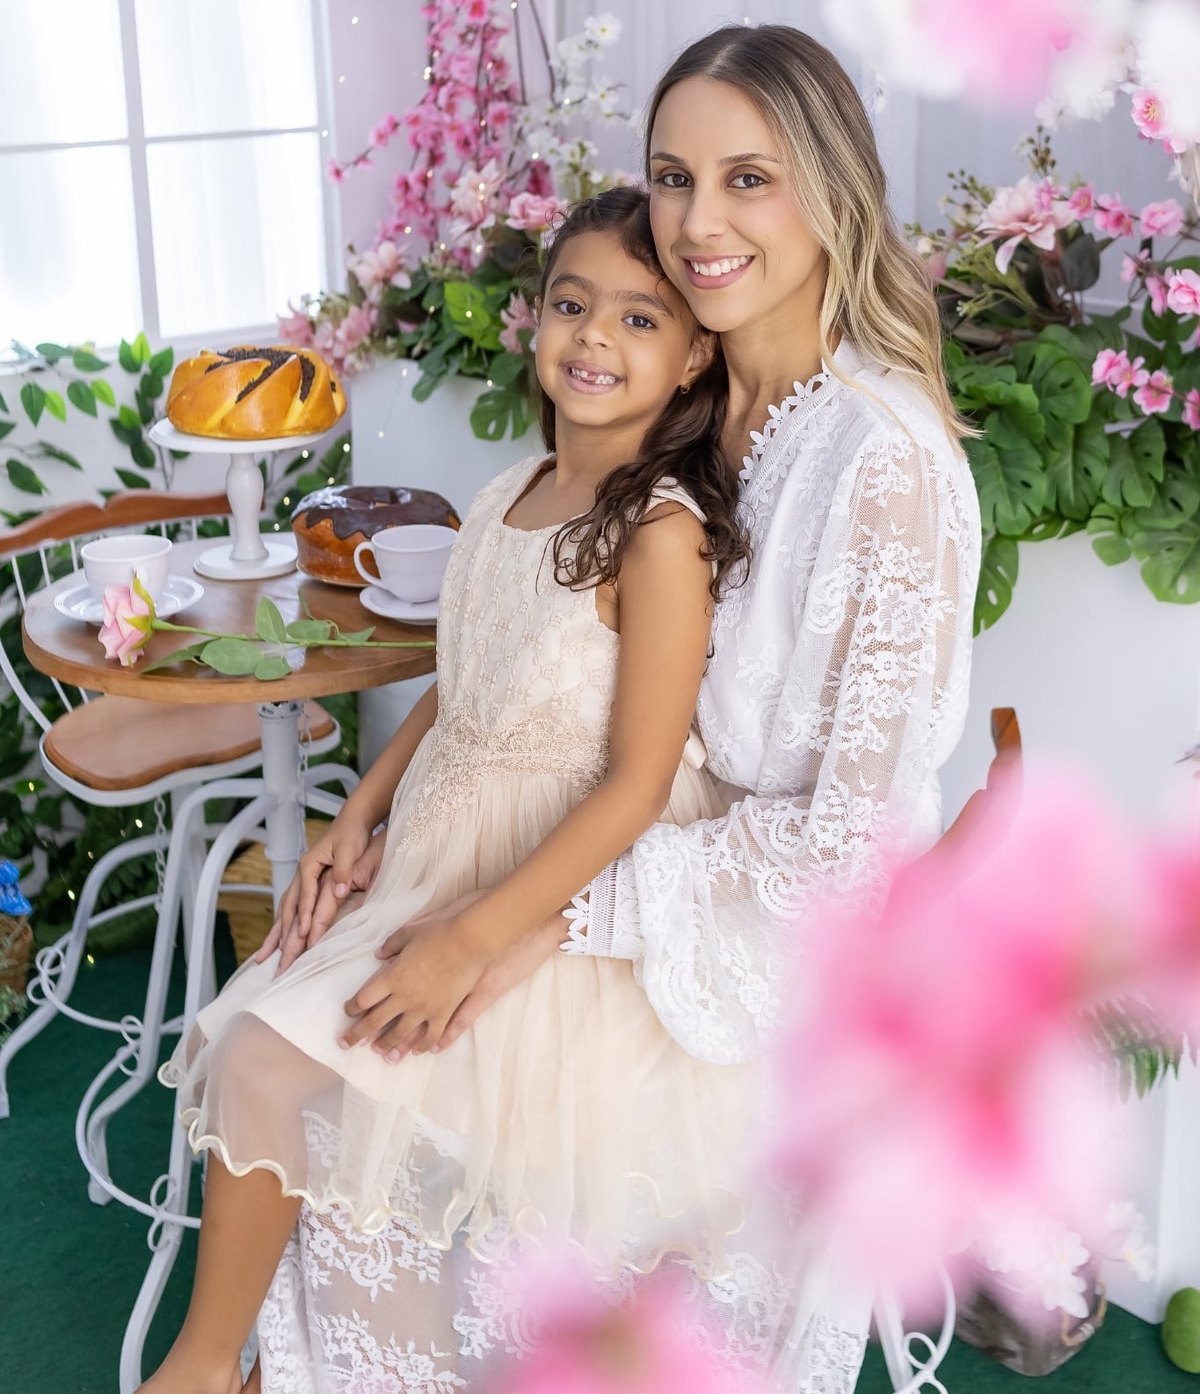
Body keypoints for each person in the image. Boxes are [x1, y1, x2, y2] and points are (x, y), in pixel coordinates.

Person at [263, 24, 981, 1393]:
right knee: (346, 1049)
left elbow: (851, 845)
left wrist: (522, 930)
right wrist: (375, 813)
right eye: (672, 175)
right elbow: (532, 649)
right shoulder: (708, 405)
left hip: (768, 959)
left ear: (832, 193)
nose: (699, 223)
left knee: (403, 1069)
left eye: (748, 179)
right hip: (628, 870)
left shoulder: (881, 462)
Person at [144, 186, 760, 1394]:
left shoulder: (660, 532)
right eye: (576, 305)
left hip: (549, 893)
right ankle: (233, 1361)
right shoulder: (503, 495)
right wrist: (360, 815)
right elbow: (459, 679)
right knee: (259, 1045)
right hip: (434, 844)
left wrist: (473, 940)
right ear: (536, 321)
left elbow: (640, 784)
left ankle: (211, 1368)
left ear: (695, 357)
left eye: (643, 320)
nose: (595, 338)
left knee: (292, 1071)